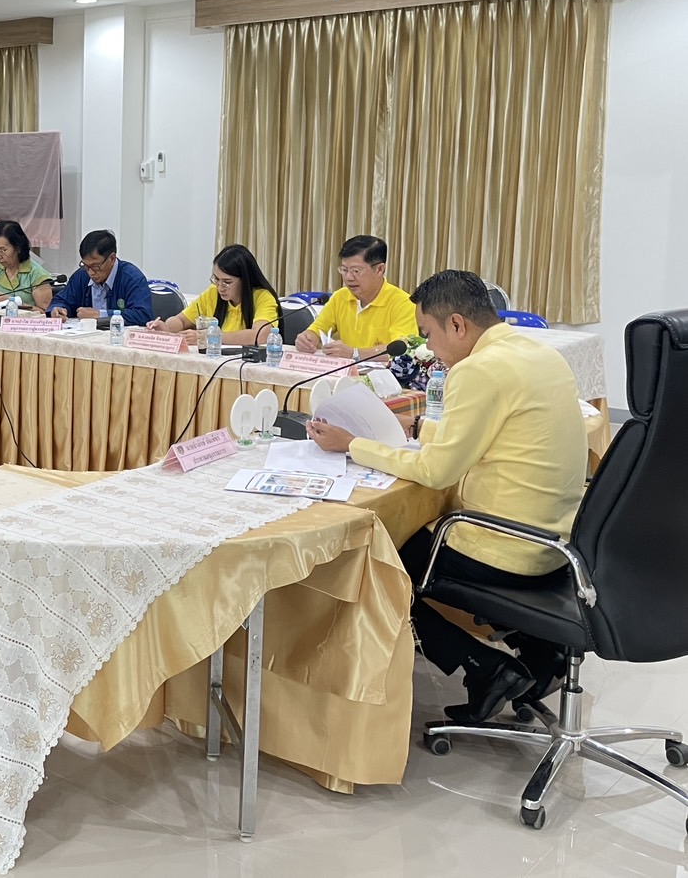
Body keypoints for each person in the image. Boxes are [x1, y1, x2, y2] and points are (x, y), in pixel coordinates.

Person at [307, 270, 585, 725]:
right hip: (557, 543)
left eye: (429, 335)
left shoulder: (478, 369)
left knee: (377, 554)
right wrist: (416, 429)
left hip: (508, 548)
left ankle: (482, 668)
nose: (429, 349)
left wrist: (351, 445)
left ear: (457, 325)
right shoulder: (536, 353)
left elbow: (437, 471)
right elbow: (489, 434)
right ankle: (540, 648)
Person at [296, 235, 416, 359]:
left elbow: (403, 351)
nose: (348, 277)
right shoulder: (340, 297)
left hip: (382, 376)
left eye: (356, 271)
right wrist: (307, 339)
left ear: (379, 269)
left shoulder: (403, 304)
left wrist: (355, 353)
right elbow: (317, 330)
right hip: (344, 374)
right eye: (344, 270)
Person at [149, 244, 280, 344]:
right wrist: (167, 327)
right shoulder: (213, 293)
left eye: (227, 282)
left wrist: (210, 337)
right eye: (216, 279)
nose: (220, 287)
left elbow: (260, 335)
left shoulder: (263, 297)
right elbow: (181, 320)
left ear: (245, 280)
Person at [48, 229, 154, 327]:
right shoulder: (82, 275)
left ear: (112, 259)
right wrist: (59, 309)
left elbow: (143, 315)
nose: (90, 272)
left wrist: (101, 314)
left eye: (95, 266)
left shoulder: (132, 278)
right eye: (85, 265)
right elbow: (62, 300)